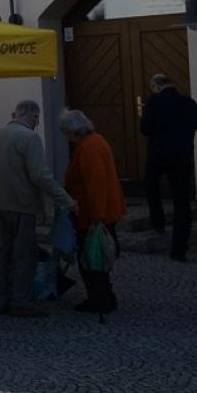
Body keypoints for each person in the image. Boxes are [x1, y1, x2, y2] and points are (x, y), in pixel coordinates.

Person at [0, 99, 75, 318]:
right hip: (20, 205)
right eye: (36, 119)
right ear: (32, 116)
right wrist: (66, 199)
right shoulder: (30, 138)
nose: (36, 123)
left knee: (0, 254)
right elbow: (40, 175)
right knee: (24, 256)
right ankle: (20, 301)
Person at [62, 109, 126, 313]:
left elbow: (96, 184)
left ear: (74, 131)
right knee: (96, 257)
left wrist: (96, 217)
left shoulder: (89, 147)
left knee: (92, 258)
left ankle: (100, 298)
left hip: (94, 214)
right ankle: (103, 296)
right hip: (100, 211)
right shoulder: (95, 141)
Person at [140, 73, 197, 262]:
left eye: (152, 87)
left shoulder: (154, 101)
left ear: (156, 86)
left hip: (158, 156)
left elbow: (145, 129)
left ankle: (158, 222)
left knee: (152, 188)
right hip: (182, 157)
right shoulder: (188, 102)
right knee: (182, 203)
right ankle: (179, 250)